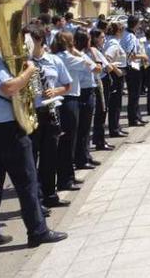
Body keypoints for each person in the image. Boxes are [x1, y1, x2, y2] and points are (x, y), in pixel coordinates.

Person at [0, 23, 67, 250]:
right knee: (27, 182)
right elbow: (9, 87)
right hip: (7, 129)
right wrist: (29, 70)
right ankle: (37, 231)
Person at [25, 25, 71, 209]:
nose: (25, 45)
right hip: (31, 113)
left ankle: (51, 195)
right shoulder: (24, 63)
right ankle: (36, 200)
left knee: (50, 157)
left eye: (29, 41)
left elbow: (67, 85)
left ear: (40, 41)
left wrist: (55, 91)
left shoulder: (54, 60)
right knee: (31, 158)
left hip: (51, 112)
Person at [51, 31, 97, 190]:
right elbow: (92, 65)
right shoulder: (67, 57)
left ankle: (68, 175)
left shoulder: (56, 55)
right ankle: (65, 179)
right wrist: (77, 51)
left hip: (65, 99)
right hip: (69, 99)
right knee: (68, 141)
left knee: (68, 141)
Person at [72, 30, 102, 172]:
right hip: (83, 92)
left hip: (87, 90)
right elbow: (98, 68)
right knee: (83, 129)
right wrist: (92, 52)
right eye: (89, 39)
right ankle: (81, 159)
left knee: (85, 128)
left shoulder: (82, 54)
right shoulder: (81, 56)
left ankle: (86, 155)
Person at [88, 28, 115, 151]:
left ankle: (99, 138)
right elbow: (107, 67)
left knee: (101, 111)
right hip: (101, 81)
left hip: (100, 80)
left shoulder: (96, 50)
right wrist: (112, 65)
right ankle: (100, 141)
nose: (104, 39)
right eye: (102, 37)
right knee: (102, 111)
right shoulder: (94, 51)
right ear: (95, 38)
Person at [103, 23, 128, 137]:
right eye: (122, 31)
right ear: (118, 32)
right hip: (115, 74)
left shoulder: (111, 41)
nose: (122, 34)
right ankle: (114, 129)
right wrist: (116, 70)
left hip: (116, 72)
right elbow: (107, 59)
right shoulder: (113, 44)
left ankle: (116, 126)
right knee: (115, 103)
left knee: (116, 102)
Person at [121, 16, 144, 127]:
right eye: (139, 23)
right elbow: (131, 54)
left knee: (135, 94)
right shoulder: (130, 36)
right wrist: (143, 56)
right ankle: (133, 118)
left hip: (131, 67)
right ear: (136, 24)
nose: (140, 25)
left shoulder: (126, 34)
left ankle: (137, 116)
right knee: (134, 94)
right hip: (132, 67)